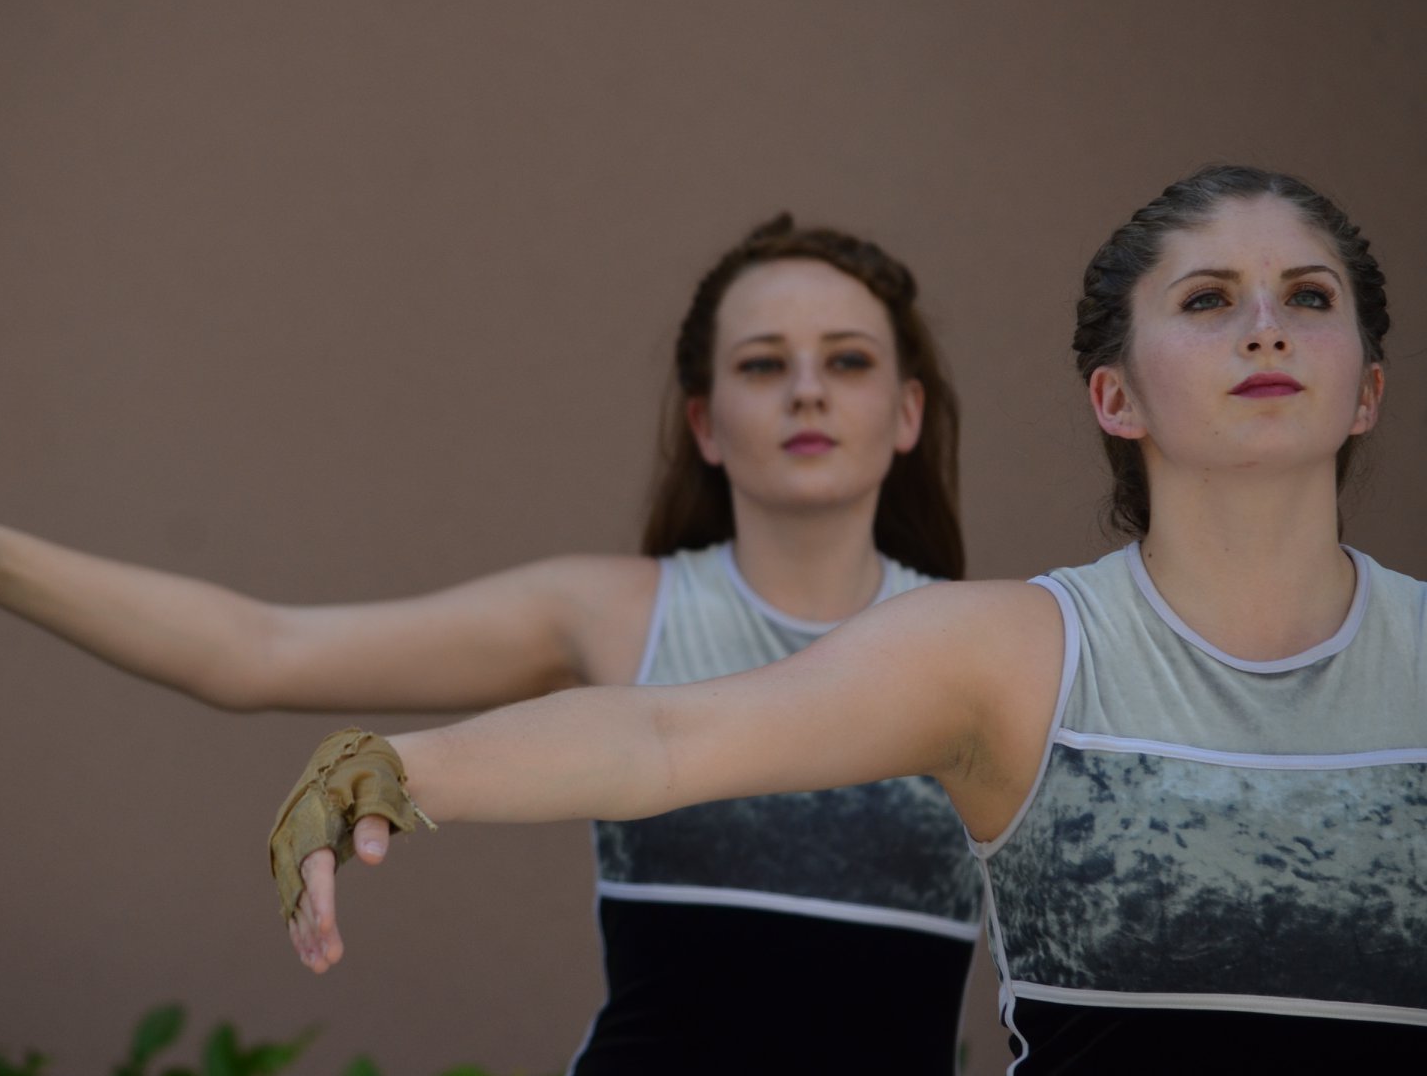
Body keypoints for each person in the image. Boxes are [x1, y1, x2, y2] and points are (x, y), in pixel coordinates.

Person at [278, 166, 1427, 1073]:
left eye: (1309, 297)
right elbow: (665, 735)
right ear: (1113, 395)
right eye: (1209, 299)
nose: (1266, 328)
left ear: (1368, 386)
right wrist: (392, 769)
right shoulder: (1012, 652)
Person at [0, 217, 983, 1073]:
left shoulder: (984, 645)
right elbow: (263, 649)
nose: (806, 391)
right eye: (762, 363)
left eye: (847, 361)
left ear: (907, 413)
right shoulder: (611, 613)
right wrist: (3, 562)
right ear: (705, 422)